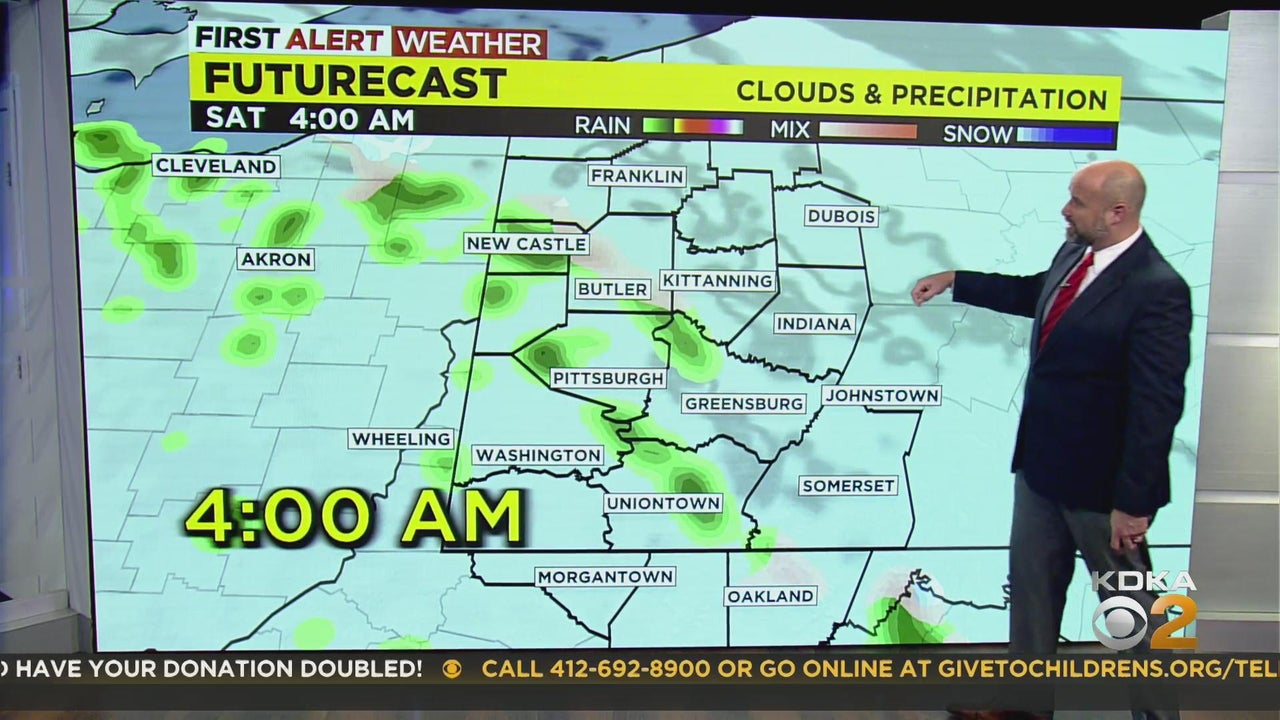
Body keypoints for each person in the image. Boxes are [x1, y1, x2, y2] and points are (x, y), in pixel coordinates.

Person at [912, 160, 1191, 720]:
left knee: (1132, 613)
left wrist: (1134, 503)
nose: (1066, 210)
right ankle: (1025, 706)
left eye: (1078, 202)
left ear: (1117, 212)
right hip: (1041, 471)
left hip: (1103, 491)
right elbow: (1038, 296)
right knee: (1033, 597)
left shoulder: (1158, 290)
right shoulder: (1075, 255)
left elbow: (1156, 406)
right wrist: (957, 281)